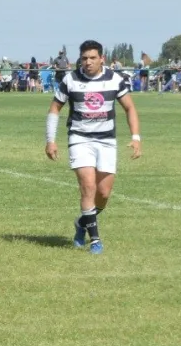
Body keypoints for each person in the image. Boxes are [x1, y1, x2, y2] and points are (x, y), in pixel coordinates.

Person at [46, 40, 141, 254]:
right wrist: (50, 139)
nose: (88, 62)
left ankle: (82, 223)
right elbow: (54, 109)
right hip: (80, 139)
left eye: (92, 58)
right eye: (84, 58)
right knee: (88, 186)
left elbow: (130, 108)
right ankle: (95, 239)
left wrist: (136, 137)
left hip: (106, 140)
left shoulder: (115, 79)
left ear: (102, 59)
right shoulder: (70, 79)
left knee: (103, 194)